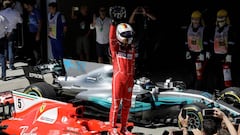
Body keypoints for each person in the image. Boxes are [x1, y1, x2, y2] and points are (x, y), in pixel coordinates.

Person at [108, 22, 135, 135]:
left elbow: (133, 65)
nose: (128, 39)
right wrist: (113, 25)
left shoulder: (132, 49)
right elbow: (111, 39)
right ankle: (112, 127)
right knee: (115, 105)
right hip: (118, 80)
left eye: (129, 36)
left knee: (127, 105)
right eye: (125, 36)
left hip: (129, 80)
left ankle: (124, 128)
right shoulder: (115, 49)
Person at [206, 9, 236, 90]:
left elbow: (232, 43)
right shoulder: (214, 28)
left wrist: (229, 54)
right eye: (219, 18)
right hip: (215, 55)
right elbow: (211, 41)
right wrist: (208, 51)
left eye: (222, 18)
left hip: (225, 56)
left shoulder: (230, 29)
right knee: (216, 75)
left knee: (227, 76)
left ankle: (227, 92)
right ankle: (217, 90)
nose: (220, 21)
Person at [184, 10, 209, 90]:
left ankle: (199, 88)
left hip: (200, 54)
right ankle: (190, 87)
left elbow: (206, 42)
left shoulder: (203, 29)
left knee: (200, 73)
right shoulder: (188, 28)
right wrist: (187, 51)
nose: (195, 21)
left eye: (197, 19)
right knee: (191, 72)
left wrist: (204, 53)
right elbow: (186, 41)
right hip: (191, 53)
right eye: (193, 19)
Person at [128, 5, 156, 74]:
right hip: (141, 39)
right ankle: (139, 69)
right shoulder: (138, 17)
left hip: (149, 38)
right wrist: (134, 12)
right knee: (140, 55)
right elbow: (130, 21)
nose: (143, 10)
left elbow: (154, 18)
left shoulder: (149, 16)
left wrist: (146, 13)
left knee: (149, 54)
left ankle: (148, 70)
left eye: (145, 9)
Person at [0, 0, 22, 70]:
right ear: (12, 5)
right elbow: (21, 21)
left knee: (4, 49)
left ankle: (4, 65)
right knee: (11, 48)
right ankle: (11, 65)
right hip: (12, 32)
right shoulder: (15, 12)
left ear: (4, 6)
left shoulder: (1, 13)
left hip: (3, 32)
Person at [23, 0, 42, 65]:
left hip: (36, 32)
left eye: (26, 6)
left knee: (36, 48)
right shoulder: (29, 12)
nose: (25, 8)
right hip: (30, 32)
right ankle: (33, 61)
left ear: (29, 5)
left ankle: (38, 62)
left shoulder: (36, 11)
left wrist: (38, 34)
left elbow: (40, 22)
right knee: (32, 47)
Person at [0, 15, 9, 81]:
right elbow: (8, 25)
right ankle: (4, 75)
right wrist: (5, 32)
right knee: (2, 57)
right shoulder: (2, 17)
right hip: (2, 38)